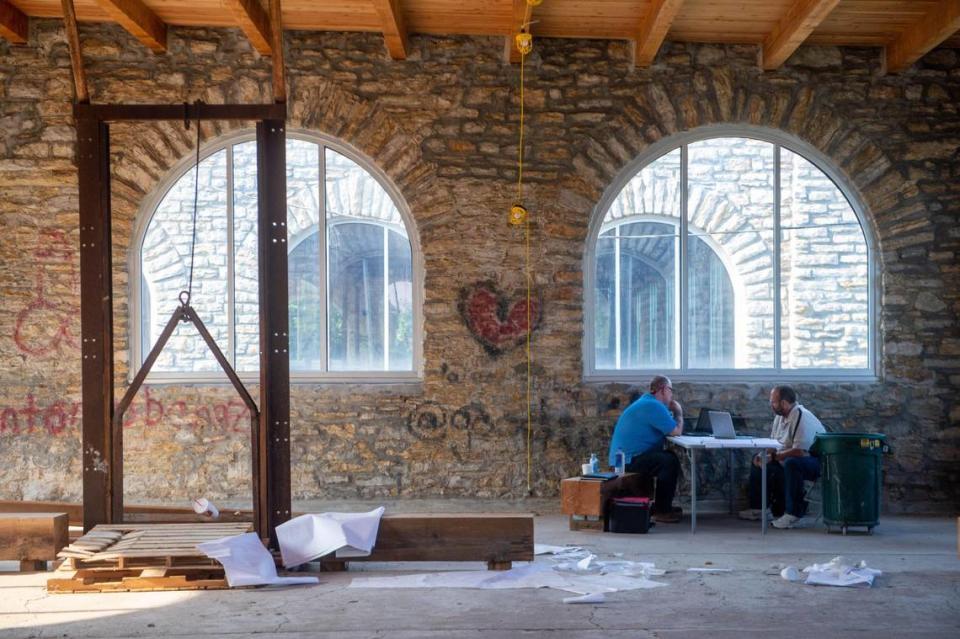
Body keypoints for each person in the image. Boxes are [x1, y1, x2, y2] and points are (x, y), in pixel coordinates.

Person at [738, 385, 826, 529]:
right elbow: (775, 443)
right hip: (790, 456)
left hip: (815, 461)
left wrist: (773, 457)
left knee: (792, 463)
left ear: (784, 403)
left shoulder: (800, 416)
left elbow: (800, 452)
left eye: (773, 402)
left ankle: (793, 513)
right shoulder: (780, 417)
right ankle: (760, 509)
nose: (771, 405)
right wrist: (764, 454)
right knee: (758, 459)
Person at [608, 375, 684, 523]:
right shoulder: (653, 405)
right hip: (625, 461)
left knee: (666, 457)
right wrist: (679, 412)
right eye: (670, 390)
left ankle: (662, 506)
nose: (671, 394)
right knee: (669, 460)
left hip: (626, 458)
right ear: (662, 390)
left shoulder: (648, 403)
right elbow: (676, 431)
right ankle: (662, 511)